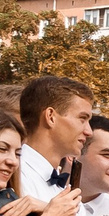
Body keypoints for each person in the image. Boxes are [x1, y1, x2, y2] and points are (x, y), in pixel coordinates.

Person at [10, 75, 95, 207]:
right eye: (82, 119)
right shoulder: (13, 175)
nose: (89, 131)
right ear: (51, 117)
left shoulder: (65, 190)